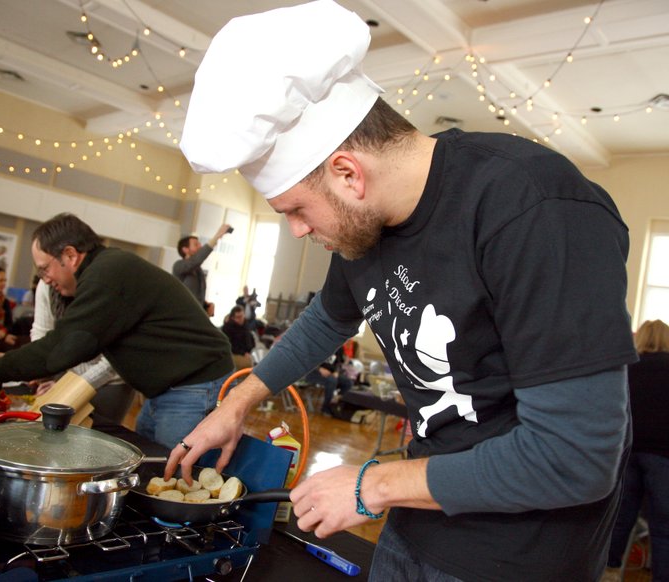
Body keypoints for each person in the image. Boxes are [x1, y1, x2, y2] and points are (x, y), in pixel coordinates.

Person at [166, 2, 637, 581]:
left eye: (294, 210)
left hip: (519, 552)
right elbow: (326, 320)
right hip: (418, 515)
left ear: (347, 173)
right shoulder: (367, 229)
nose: (297, 230)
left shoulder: (534, 208)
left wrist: (373, 483)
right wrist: (238, 402)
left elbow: (575, 458)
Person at [0, 213, 234, 449]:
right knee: (154, 465)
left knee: (172, 474)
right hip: (168, 388)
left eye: (45, 269)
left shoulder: (105, 275)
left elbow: (66, 345)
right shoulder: (102, 269)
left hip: (192, 386)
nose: (45, 279)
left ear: (71, 255)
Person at [603, 319, 669, 582]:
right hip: (664, 457)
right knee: (664, 529)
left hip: (627, 452)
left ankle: (608, 573)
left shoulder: (628, 368)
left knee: (619, 519)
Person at [29, 278, 135, 426]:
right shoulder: (47, 283)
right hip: (71, 376)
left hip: (110, 381)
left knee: (97, 437)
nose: (46, 277)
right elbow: (42, 332)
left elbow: (113, 361)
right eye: (41, 270)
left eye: (46, 268)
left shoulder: (106, 284)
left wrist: (69, 387)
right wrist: (38, 369)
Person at [172, 224, 231, 316]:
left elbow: (194, 296)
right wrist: (217, 236)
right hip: (181, 316)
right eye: (196, 244)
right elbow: (195, 261)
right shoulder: (178, 266)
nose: (200, 246)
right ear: (185, 250)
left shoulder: (198, 270)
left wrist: (206, 305)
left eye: (199, 244)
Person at [221, 305, 255, 370]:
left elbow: (249, 338)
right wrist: (243, 353)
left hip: (247, 352)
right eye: (238, 317)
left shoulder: (245, 324)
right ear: (233, 318)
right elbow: (229, 345)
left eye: (242, 316)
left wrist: (250, 348)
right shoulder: (228, 328)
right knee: (247, 365)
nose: (241, 319)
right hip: (234, 353)